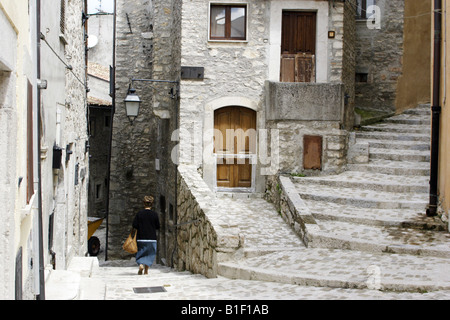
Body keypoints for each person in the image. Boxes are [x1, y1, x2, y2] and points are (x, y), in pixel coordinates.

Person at [132, 195, 160, 275]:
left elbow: (134, 225)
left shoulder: (139, 214)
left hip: (141, 237)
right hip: (151, 238)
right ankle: (146, 270)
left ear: (144, 203)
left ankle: (141, 264)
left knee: (140, 252)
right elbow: (158, 226)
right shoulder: (154, 214)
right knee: (150, 254)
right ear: (152, 204)